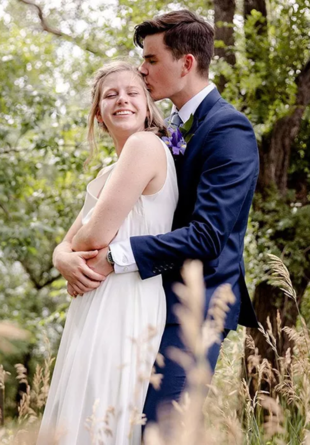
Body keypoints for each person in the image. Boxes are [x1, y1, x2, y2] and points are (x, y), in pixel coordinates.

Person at [74, 10, 260, 427]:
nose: (143, 68)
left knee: (159, 430)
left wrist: (114, 257)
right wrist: (62, 255)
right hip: (146, 300)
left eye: (152, 59)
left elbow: (208, 236)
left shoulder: (228, 129)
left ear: (187, 62)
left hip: (195, 305)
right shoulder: (166, 130)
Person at [37, 61, 178, 445]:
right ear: (98, 115)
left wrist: (69, 253)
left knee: (104, 410)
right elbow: (70, 243)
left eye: (132, 92)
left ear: (148, 106)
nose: (122, 100)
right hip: (95, 297)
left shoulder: (144, 145)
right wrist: (59, 257)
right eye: (110, 95)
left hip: (126, 298)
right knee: (85, 411)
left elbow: (92, 235)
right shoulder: (108, 171)